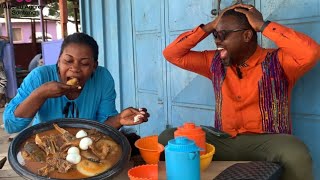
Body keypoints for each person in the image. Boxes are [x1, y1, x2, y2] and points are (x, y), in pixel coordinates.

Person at [161, 3, 319, 180]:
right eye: (215, 34)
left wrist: (263, 26)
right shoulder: (214, 62)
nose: (217, 40)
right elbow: (172, 53)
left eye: (223, 34)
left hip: (266, 142)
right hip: (224, 140)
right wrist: (211, 25)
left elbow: (310, 52)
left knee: (296, 152)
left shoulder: (280, 61)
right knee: (168, 137)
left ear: (247, 35)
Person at [3, 32, 149, 135]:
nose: (75, 69)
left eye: (84, 63)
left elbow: (102, 128)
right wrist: (41, 94)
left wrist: (119, 120)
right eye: (68, 61)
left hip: (86, 145)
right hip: (46, 146)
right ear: (59, 60)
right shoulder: (40, 76)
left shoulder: (102, 78)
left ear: (94, 66)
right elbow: (11, 125)